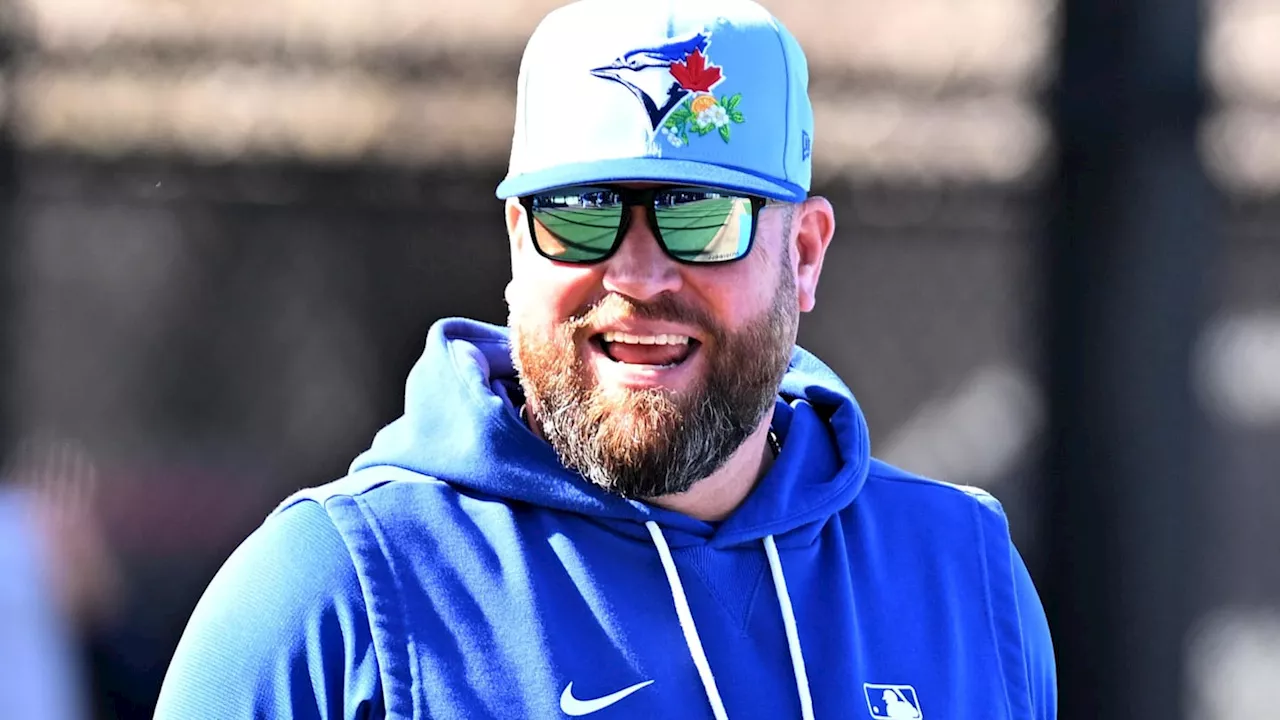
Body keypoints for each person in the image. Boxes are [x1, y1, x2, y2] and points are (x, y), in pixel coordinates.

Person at [155, 0, 1056, 717]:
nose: (636, 276)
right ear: (519, 243)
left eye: (700, 216)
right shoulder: (334, 593)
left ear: (806, 255)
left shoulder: (961, 573)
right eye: (581, 212)